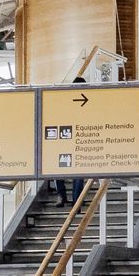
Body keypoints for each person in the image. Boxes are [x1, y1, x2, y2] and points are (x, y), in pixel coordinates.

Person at [56, 77, 88, 206]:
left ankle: (63, 196)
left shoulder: (65, 101)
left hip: (65, 140)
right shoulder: (87, 102)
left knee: (57, 169)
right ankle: (76, 200)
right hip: (77, 141)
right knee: (77, 172)